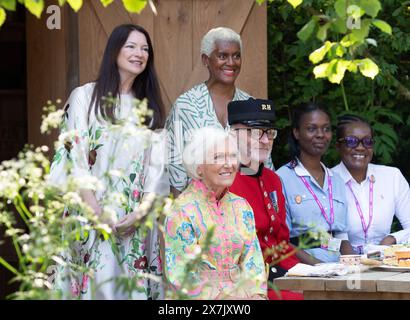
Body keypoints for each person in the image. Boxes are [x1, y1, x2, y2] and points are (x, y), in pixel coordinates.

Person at [49, 24, 168, 299]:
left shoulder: (149, 109)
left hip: (133, 224)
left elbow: (157, 174)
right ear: (114, 50)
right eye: (131, 46)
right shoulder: (84, 98)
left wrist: (139, 215)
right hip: (90, 217)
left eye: (145, 49)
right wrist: (97, 213)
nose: (139, 53)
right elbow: (73, 161)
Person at [165, 26, 273, 197]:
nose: (231, 62)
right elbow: (174, 168)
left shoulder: (250, 105)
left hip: (245, 207)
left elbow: (264, 165)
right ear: (206, 59)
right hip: (199, 208)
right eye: (222, 56)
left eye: (236, 56)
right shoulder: (186, 106)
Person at [163, 127, 267, 300]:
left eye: (233, 156)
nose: (229, 164)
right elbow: (181, 276)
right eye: (218, 157)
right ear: (199, 167)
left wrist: (257, 295)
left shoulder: (241, 206)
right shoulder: (182, 210)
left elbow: (253, 262)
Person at [227, 98, 303, 300]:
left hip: (280, 272)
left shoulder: (273, 179)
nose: (264, 140)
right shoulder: (224, 181)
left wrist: (305, 273)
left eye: (269, 133)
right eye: (255, 132)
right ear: (233, 135)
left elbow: (282, 241)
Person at [276, 102, 354, 264]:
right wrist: (318, 267)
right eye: (312, 128)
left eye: (326, 129)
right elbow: (282, 240)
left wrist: (352, 265)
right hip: (303, 269)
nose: (321, 134)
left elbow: (341, 236)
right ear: (297, 132)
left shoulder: (336, 180)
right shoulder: (282, 178)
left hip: (338, 267)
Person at [332, 114, 410, 254]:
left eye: (367, 142)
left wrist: (393, 238)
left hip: (386, 263)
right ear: (338, 146)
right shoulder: (328, 181)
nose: (361, 148)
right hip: (341, 266)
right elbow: (318, 235)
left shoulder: (392, 176)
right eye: (351, 141)